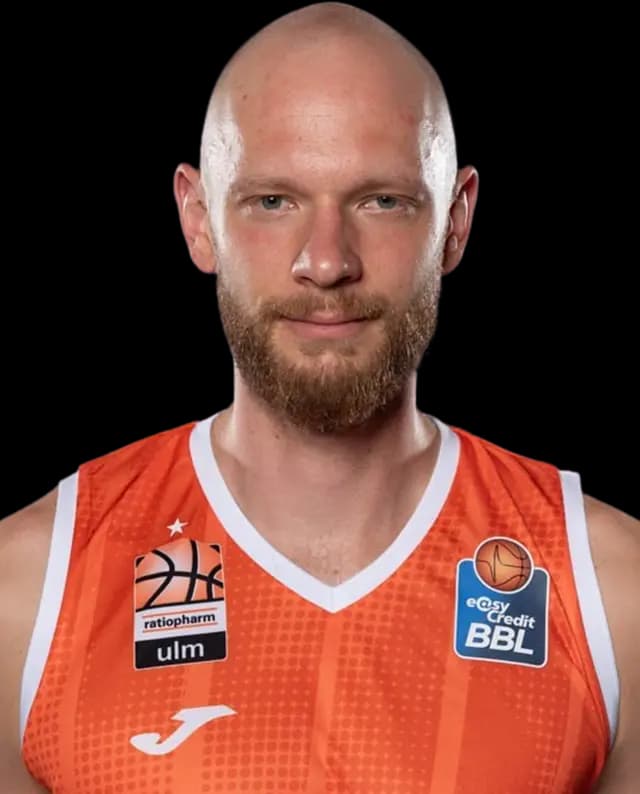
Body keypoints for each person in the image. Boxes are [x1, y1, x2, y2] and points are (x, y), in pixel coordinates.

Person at [1, 2, 637, 792]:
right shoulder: (28, 593)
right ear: (199, 220)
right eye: (273, 201)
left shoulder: (611, 594)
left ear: (455, 221)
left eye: (382, 201)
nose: (327, 262)